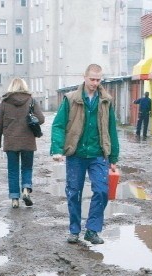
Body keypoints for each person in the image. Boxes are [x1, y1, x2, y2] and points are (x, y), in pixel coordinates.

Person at [51, 64, 120, 245]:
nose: (95, 83)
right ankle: (74, 230)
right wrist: (57, 149)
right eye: (92, 79)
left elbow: (112, 129)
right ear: (85, 77)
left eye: (98, 80)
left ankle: (92, 230)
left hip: (98, 154)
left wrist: (113, 157)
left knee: (101, 190)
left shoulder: (106, 100)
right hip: (76, 154)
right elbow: (58, 125)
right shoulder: (71, 99)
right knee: (74, 192)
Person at [0, 77, 45, 208]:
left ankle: (15, 199)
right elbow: (41, 119)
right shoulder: (31, 100)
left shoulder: (5, 102)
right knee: (27, 168)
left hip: (11, 142)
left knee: (12, 171)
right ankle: (26, 190)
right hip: (28, 141)